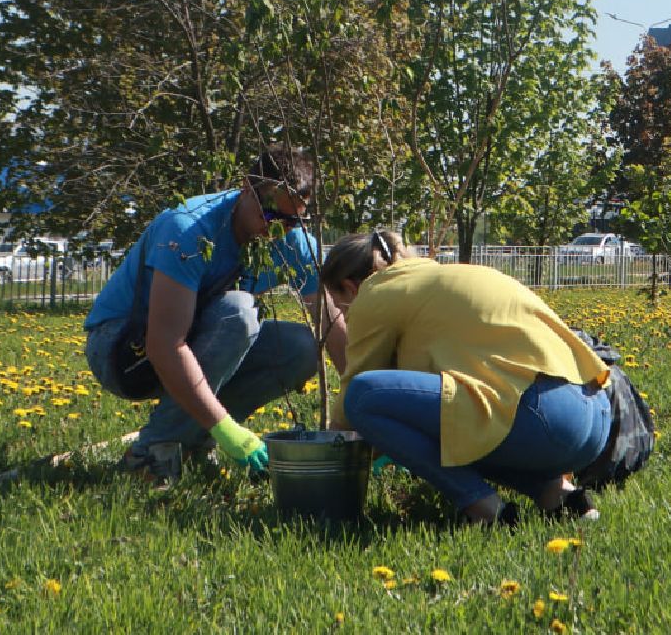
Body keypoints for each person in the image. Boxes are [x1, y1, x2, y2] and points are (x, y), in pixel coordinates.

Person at [84, 145, 343, 484]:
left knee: (302, 347)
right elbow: (164, 344)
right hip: (121, 349)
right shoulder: (188, 230)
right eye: (272, 216)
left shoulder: (292, 240)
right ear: (246, 189)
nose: (280, 230)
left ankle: (192, 441)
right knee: (239, 312)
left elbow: (330, 323)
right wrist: (227, 430)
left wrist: (365, 404)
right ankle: (152, 455)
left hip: (198, 342)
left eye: (293, 220)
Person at [323, 230, 612, 526]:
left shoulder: (375, 292)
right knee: (461, 415)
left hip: (545, 419)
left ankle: (484, 509)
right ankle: (559, 496)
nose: (346, 317)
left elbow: (352, 404)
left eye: (342, 307)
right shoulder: (439, 277)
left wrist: (321, 453)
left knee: (363, 396)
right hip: (595, 417)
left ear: (351, 287)